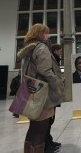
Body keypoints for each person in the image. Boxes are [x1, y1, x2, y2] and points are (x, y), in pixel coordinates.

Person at [17, 23, 64, 153]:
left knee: (33, 128)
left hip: (31, 91)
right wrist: (57, 84)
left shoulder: (29, 48)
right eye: (46, 32)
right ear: (41, 34)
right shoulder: (42, 48)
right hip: (42, 94)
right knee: (41, 129)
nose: (48, 35)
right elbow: (45, 71)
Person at [44, 43, 64, 152]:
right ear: (55, 50)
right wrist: (57, 81)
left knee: (50, 120)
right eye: (60, 50)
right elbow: (47, 73)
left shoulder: (55, 59)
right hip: (49, 92)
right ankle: (46, 144)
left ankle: (49, 140)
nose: (61, 52)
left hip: (53, 92)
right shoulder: (50, 58)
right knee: (47, 120)